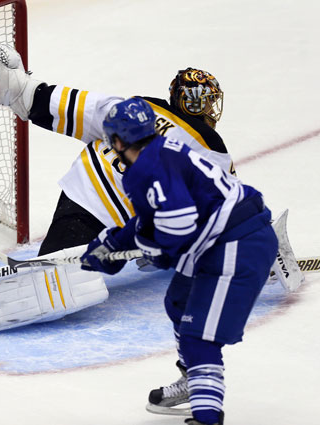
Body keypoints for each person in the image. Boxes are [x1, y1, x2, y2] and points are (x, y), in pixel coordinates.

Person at [79, 98, 278, 425]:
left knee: (197, 335)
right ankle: (193, 380)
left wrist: (154, 252)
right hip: (223, 238)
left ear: (117, 142)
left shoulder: (146, 168)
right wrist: (112, 244)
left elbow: (178, 228)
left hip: (237, 242)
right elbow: (151, 222)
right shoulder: (161, 151)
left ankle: (206, 416)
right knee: (178, 301)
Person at [0, 44, 234, 258]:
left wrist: (25, 92)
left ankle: (52, 264)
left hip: (81, 190)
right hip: (117, 215)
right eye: (210, 102)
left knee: (59, 259)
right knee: (61, 270)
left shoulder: (140, 107)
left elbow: (86, 110)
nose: (212, 110)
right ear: (197, 103)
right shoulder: (208, 144)